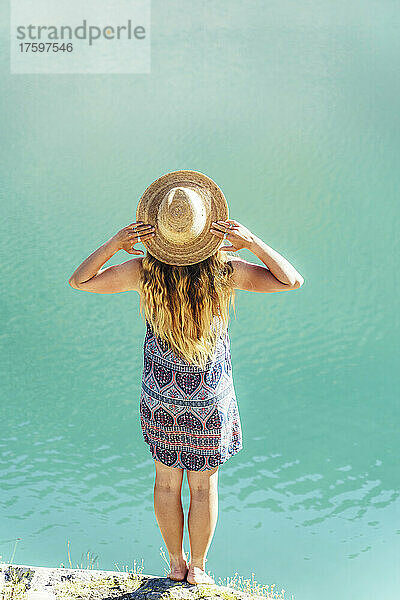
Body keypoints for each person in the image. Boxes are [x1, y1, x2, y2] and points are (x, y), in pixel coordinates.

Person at [68, 170, 304, 585]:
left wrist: (114, 244)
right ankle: (198, 569)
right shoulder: (226, 271)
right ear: (205, 228)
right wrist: (253, 243)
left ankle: (175, 564)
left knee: (165, 483)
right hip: (209, 399)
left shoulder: (143, 272)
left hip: (162, 397)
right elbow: (292, 280)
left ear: (158, 228)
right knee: (202, 488)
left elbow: (79, 281)